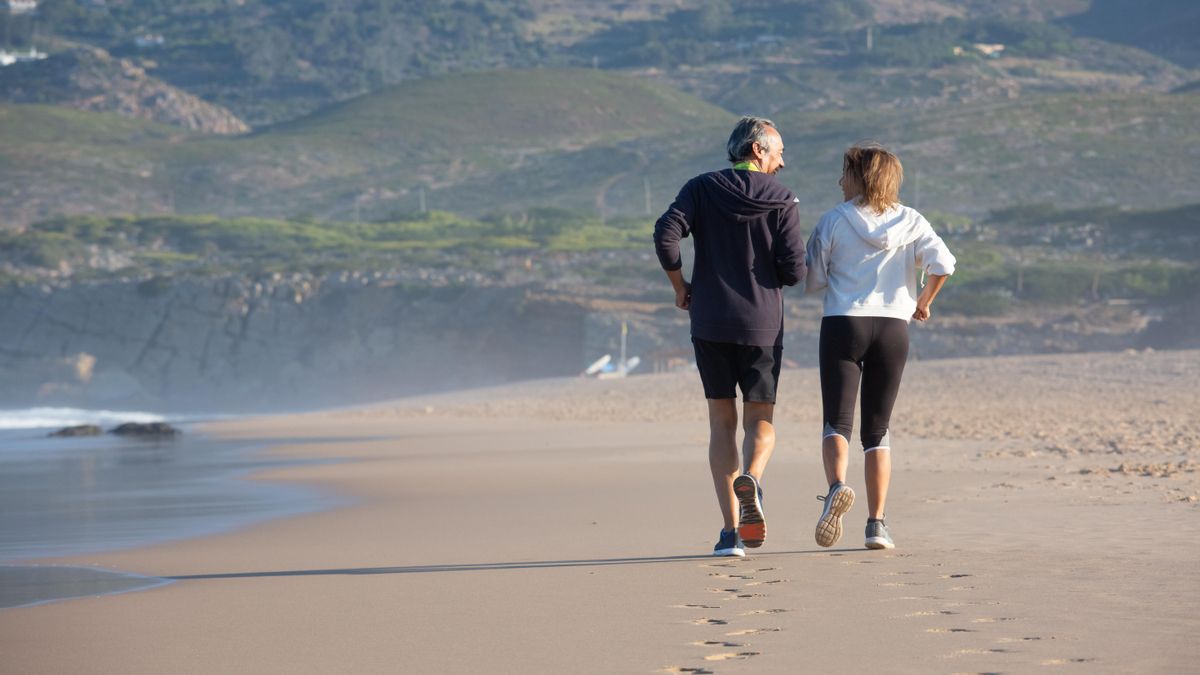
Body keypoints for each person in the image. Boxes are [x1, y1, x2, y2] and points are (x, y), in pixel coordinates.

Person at [653, 116, 806, 557]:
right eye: (778, 152)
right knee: (761, 419)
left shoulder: (700, 188)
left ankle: (729, 534)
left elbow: (666, 236)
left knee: (722, 422)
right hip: (762, 324)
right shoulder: (782, 198)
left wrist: (680, 287)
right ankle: (753, 479)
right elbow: (794, 270)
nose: (782, 162)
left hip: (710, 321)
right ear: (758, 151)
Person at [805, 142, 956, 550]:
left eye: (845, 173)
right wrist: (923, 303)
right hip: (893, 328)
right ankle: (877, 525)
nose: (840, 181)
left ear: (860, 177)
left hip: (843, 323)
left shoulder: (834, 220)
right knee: (878, 430)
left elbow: (814, 279)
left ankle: (837, 487)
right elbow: (945, 264)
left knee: (836, 421)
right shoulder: (912, 220)